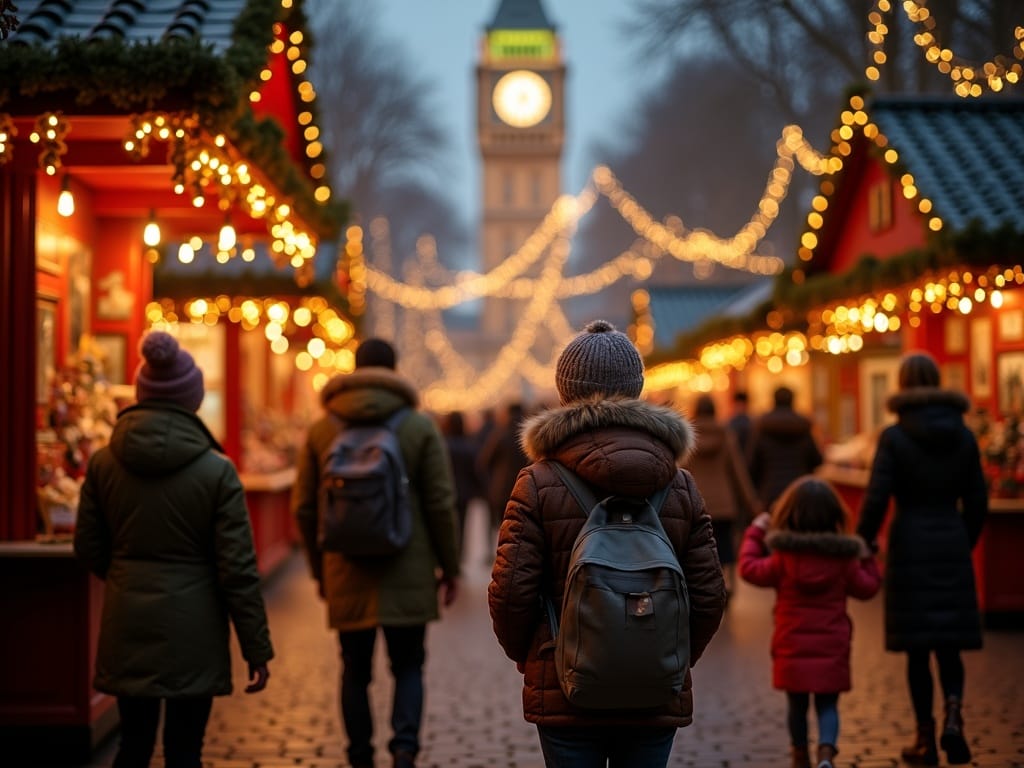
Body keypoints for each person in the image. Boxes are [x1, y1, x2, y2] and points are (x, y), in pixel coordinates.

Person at [488, 320, 727, 768]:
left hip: (566, 681)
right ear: (636, 388)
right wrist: (670, 656)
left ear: (565, 391)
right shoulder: (680, 485)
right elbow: (710, 594)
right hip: (655, 686)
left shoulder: (537, 482)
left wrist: (534, 655)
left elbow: (510, 591)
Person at [74, 331, 273, 768]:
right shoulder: (218, 472)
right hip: (194, 629)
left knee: (133, 745)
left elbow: (87, 545)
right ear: (193, 399)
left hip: (128, 622)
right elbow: (237, 568)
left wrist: (126, 574)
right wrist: (255, 648)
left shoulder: (104, 464)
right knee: (185, 750)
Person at [291, 337, 461, 768]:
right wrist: (450, 567)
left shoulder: (322, 429)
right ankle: (404, 750)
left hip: (345, 568)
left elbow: (304, 507)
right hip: (409, 564)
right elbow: (441, 503)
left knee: (354, 668)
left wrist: (319, 571)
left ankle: (359, 755)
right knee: (408, 666)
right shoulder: (418, 427)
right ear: (394, 371)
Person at [856, 351, 988, 766]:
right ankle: (954, 714)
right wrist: (962, 539)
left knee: (917, 650)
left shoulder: (894, 437)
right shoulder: (964, 435)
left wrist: (864, 540)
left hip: (909, 542)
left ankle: (925, 737)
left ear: (903, 385)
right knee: (950, 646)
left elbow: (877, 496)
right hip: (950, 538)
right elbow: (978, 500)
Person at [739, 475, 881, 768]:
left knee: (797, 706)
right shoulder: (844, 559)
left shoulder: (783, 558)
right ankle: (826, 753)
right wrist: (868, 558)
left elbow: (749, 569)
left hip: (791, 645)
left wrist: (756, 531)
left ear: (788, 514)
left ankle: (800, 755)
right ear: (835, 516)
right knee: (828, 704)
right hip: (832, 645)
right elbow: (868, 588)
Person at [684, 393, 761, 598]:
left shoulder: (688, 436)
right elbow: (737, 471)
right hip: (725, 504)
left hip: (697, 502)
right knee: (725, 546)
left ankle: (703, 587)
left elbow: (681, 470)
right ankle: (727, 584)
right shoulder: (725, 434)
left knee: (699, 548)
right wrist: (751, 501)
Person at [748, 385, 824, 510]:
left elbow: (753, 464)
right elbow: (817, 460)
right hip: (799, 491)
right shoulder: (803, 427)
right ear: (793, 401)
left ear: (774, 401)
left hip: (770, 491)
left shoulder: (763, 428)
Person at [477, 401, 530, 552]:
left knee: (503, 525)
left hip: (501, 489)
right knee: (522, 527)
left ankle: (503, 553)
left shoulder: (500, 435)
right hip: (526, 488)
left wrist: (492, 480)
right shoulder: (528, 437)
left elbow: (484, 461)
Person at [440, 410, 484, 562]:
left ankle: (447, 556)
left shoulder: (443, 445)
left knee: (446, 527)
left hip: (445, 492)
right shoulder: (468, 446)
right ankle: (458, 556)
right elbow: (475, 471)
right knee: (462, 526)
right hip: (464, 493)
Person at [727, 389, 753, 456]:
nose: (740, 407)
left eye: (742, 405)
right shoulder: (730, 423)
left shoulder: (752, 423)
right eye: (738, 405)